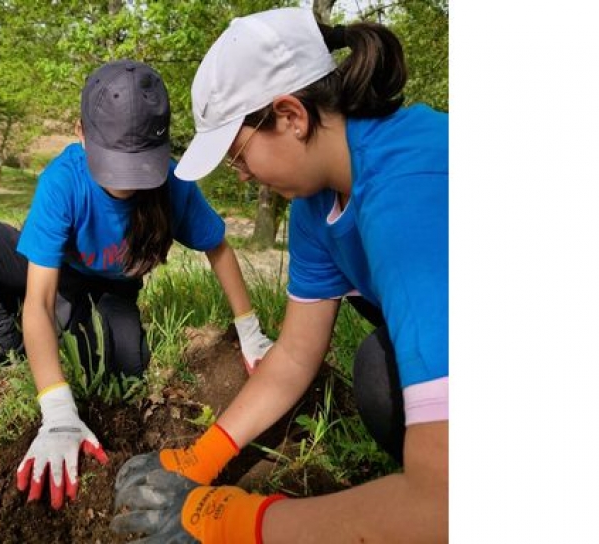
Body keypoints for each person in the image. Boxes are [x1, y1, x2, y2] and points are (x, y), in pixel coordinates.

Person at [111, 8, 447, 543]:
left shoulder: (409, 194)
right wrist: (203, 458)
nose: (242, 176)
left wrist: (236, 523)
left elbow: (447, 501)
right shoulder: (317, 201)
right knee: (383, 375)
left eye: (238, 156)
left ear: (291, 116)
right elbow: (293, 355)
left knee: (385, 386)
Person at [0, 59, 274, 510]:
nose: (125, 184)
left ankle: (58, 331)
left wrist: (250, 333)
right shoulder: (65, 180)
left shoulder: (174, 185)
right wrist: (57, 412)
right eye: (114, 165)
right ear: (80, 133)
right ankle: (3, 343)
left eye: (140, 168)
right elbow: (37, 298)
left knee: (121, 371)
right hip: (50, 272)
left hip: (111, 292)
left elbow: (219, 249)